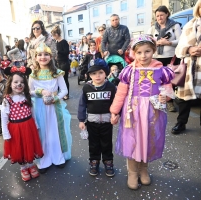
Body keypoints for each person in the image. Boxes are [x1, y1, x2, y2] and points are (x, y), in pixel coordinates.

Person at [110, 35, 174, 190]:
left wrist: (165, 96)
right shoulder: (128, 71)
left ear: (153, 51)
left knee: (148, 140)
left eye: (147, 51)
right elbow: (121, 93)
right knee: (132, 140)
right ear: (134, 53)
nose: (143, 56)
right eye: (139, 52)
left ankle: (144, 169)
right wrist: (114, 111)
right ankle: (132, 171)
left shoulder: (162, 71)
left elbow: (168, 90)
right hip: (133, 112)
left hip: (153, 112)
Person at [29, 43, 72, 173]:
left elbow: (64, 90)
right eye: (40, 55)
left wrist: (56, 98)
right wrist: (40, 91)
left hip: (54, 107)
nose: (43, 57)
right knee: (42, 133)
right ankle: (44, 160)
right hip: (40, 108)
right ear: (36, 58)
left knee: (56, 132)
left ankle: (58, 157)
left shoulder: (57, 73)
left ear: (51, 56)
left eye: (46, 54)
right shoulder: (33, 74)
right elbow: (29, 91)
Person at [1, 66, 43, 181]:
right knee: (19, 148)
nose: (19, 84)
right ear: (10, 83)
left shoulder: (26, 96)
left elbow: (32, 112)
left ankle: (30, 164)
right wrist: (6, 133)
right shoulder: (7, 100)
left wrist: (36, 124)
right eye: (16, 82)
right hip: (16, 128)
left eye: (22, 82)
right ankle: (23, 167)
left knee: (29, 145)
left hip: (29, 126)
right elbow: (4, 118)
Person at [78, 58, 116, 177]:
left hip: (107, 121)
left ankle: (108, 161)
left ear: (106, 72)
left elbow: (116, 102)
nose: (97, 76)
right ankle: (94, 161)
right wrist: (81, 120)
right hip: (92, 122)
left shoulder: (111, 87)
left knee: (107, 143)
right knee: (93, 143)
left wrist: (116, 114)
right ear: (89, 75)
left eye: (100, 72)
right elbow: (82, 104)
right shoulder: (86, 88)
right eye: (94, 73)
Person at [173, 0, 201, 134]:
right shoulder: (190, 25)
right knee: (184, 98)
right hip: (189, 66)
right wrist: (189, 49)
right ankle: (181, 123)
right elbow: (179, 49)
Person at [148, 5, 182, 112]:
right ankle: (157, 100)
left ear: (167, 14)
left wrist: (168, 42)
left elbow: (181, 41)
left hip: (171, 58)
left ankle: (169, 101)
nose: (159, 18)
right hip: (156, 58)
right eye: (157, 16)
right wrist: (156, 43)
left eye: (161, 15)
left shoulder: (174, 26)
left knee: (170, 81)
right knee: (157, 80)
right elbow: (148, 42)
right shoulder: (153, 28)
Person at [51, 25, 70, 100]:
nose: (53, 37)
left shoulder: (64, 42)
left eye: (53, 35)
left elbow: (66, 52)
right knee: (58, 79)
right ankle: (60, 94)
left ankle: (66, 94)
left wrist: (58, 52)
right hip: (57, 63)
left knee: (65, 79)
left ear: (56, 34)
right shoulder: (56, 42)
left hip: (64, 63)